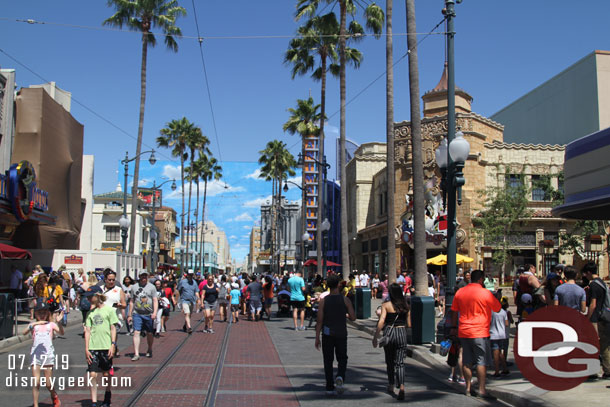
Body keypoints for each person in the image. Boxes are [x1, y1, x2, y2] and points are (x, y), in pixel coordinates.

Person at [450, 269, 500, 399]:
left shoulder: (460, 292)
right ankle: (482, 390)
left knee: (467, 360)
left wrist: (454, 327)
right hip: (480, 331)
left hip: (464, 331)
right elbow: (498, 308)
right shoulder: (485, 293)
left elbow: (454, 311)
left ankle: (467, 387)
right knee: (481, 361)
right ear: (481, 279)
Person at [315, 274, 356, 396]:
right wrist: (345, 314)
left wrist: (317, 337)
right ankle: (340, 376)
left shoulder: (324, 301)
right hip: (341, 333)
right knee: (342, 358)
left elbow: (319, 321)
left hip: (327, 334)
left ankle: (329, 385)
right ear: (338, 285)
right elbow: (353, 317)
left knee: (328, 360)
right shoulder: (345, 300)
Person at [372, 283, 411, 400]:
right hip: (401, 333)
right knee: (400, 362)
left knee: (389, 360)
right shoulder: (406, 306)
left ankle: (391, 384)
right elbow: (409, 324)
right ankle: (402, 386)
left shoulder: (386, 305)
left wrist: (375, 336)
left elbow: (382, 321)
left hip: (389, 333)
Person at [23, 305, 64, 407]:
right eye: (39, 313)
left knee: (48, 383)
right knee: (36, 382)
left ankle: (54, 395)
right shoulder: (33, 325)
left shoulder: (51, 325)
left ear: (47, 314)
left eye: (44, 313)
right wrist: (36, 323)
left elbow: (62, 332)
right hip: (36, 355)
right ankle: (36, 405)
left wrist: (58, 322)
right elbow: (24, 332)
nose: (42, 315)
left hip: (48, 355)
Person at [85, 292, 118, 407]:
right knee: (92, 375)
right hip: (93, 347)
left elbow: (113, 328)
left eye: (90, 296)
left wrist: (113, 344)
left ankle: (107, 394)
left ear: (97, 296)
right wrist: (86, 348)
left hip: (106, 346)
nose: (88, 299)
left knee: (106, 374)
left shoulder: (109, 310)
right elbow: (87, 331)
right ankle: (94, 402)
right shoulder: (90, 313)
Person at [582, 262, 610, 379]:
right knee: (605, 345)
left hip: (596, 318)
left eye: (585, 274)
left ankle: (595, 371)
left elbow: (593, 304)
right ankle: (607, 370)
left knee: (594, 345)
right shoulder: (602, 283)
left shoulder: (594, 285)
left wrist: (587, 317)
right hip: (604, 316)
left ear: (588, 272)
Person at [128, 271, 157, 361]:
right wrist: (129, 314)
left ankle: (149, 348)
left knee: (149, 333)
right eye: (142, 276)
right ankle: (136, 353)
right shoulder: (134, 287)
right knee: (136, 332)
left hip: (148, 314)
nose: (144, 277)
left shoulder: (152, 287)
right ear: (139, 276)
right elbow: (132, 301)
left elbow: (155, 300)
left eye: (145, 276)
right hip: (137, 313)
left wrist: (155, 312)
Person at [101, 269, 126, 356]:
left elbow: (124, 304)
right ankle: (112, 347)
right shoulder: (100, 289)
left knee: (111, 336)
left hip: (114, 317)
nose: (111, 282)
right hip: (102, 317)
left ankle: (113, 347)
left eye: (113, 280)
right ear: (105, 279)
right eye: (109, 280)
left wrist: (119, 305)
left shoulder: (118, 290)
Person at [489, 299, 510, 378]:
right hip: (502, 334)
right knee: (499, 351)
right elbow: (507, 323)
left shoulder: (491, 312)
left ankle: (497, 371)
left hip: (493, 334)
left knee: (495, 353)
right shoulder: (503, 312)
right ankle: (505, 368)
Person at [176, 270, 200, 334]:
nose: (191, 276)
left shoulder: (194, 282)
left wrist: (198, 299)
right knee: (187, 313)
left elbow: (196, 291)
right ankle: (189, 327)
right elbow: (178, 290)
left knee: (189, 315)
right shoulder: (182, 282)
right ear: (187, 275)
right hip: (184, 300)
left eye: (192, 274)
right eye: (189, 274)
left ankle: (185, 325)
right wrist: (177, 300)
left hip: (192, 301)